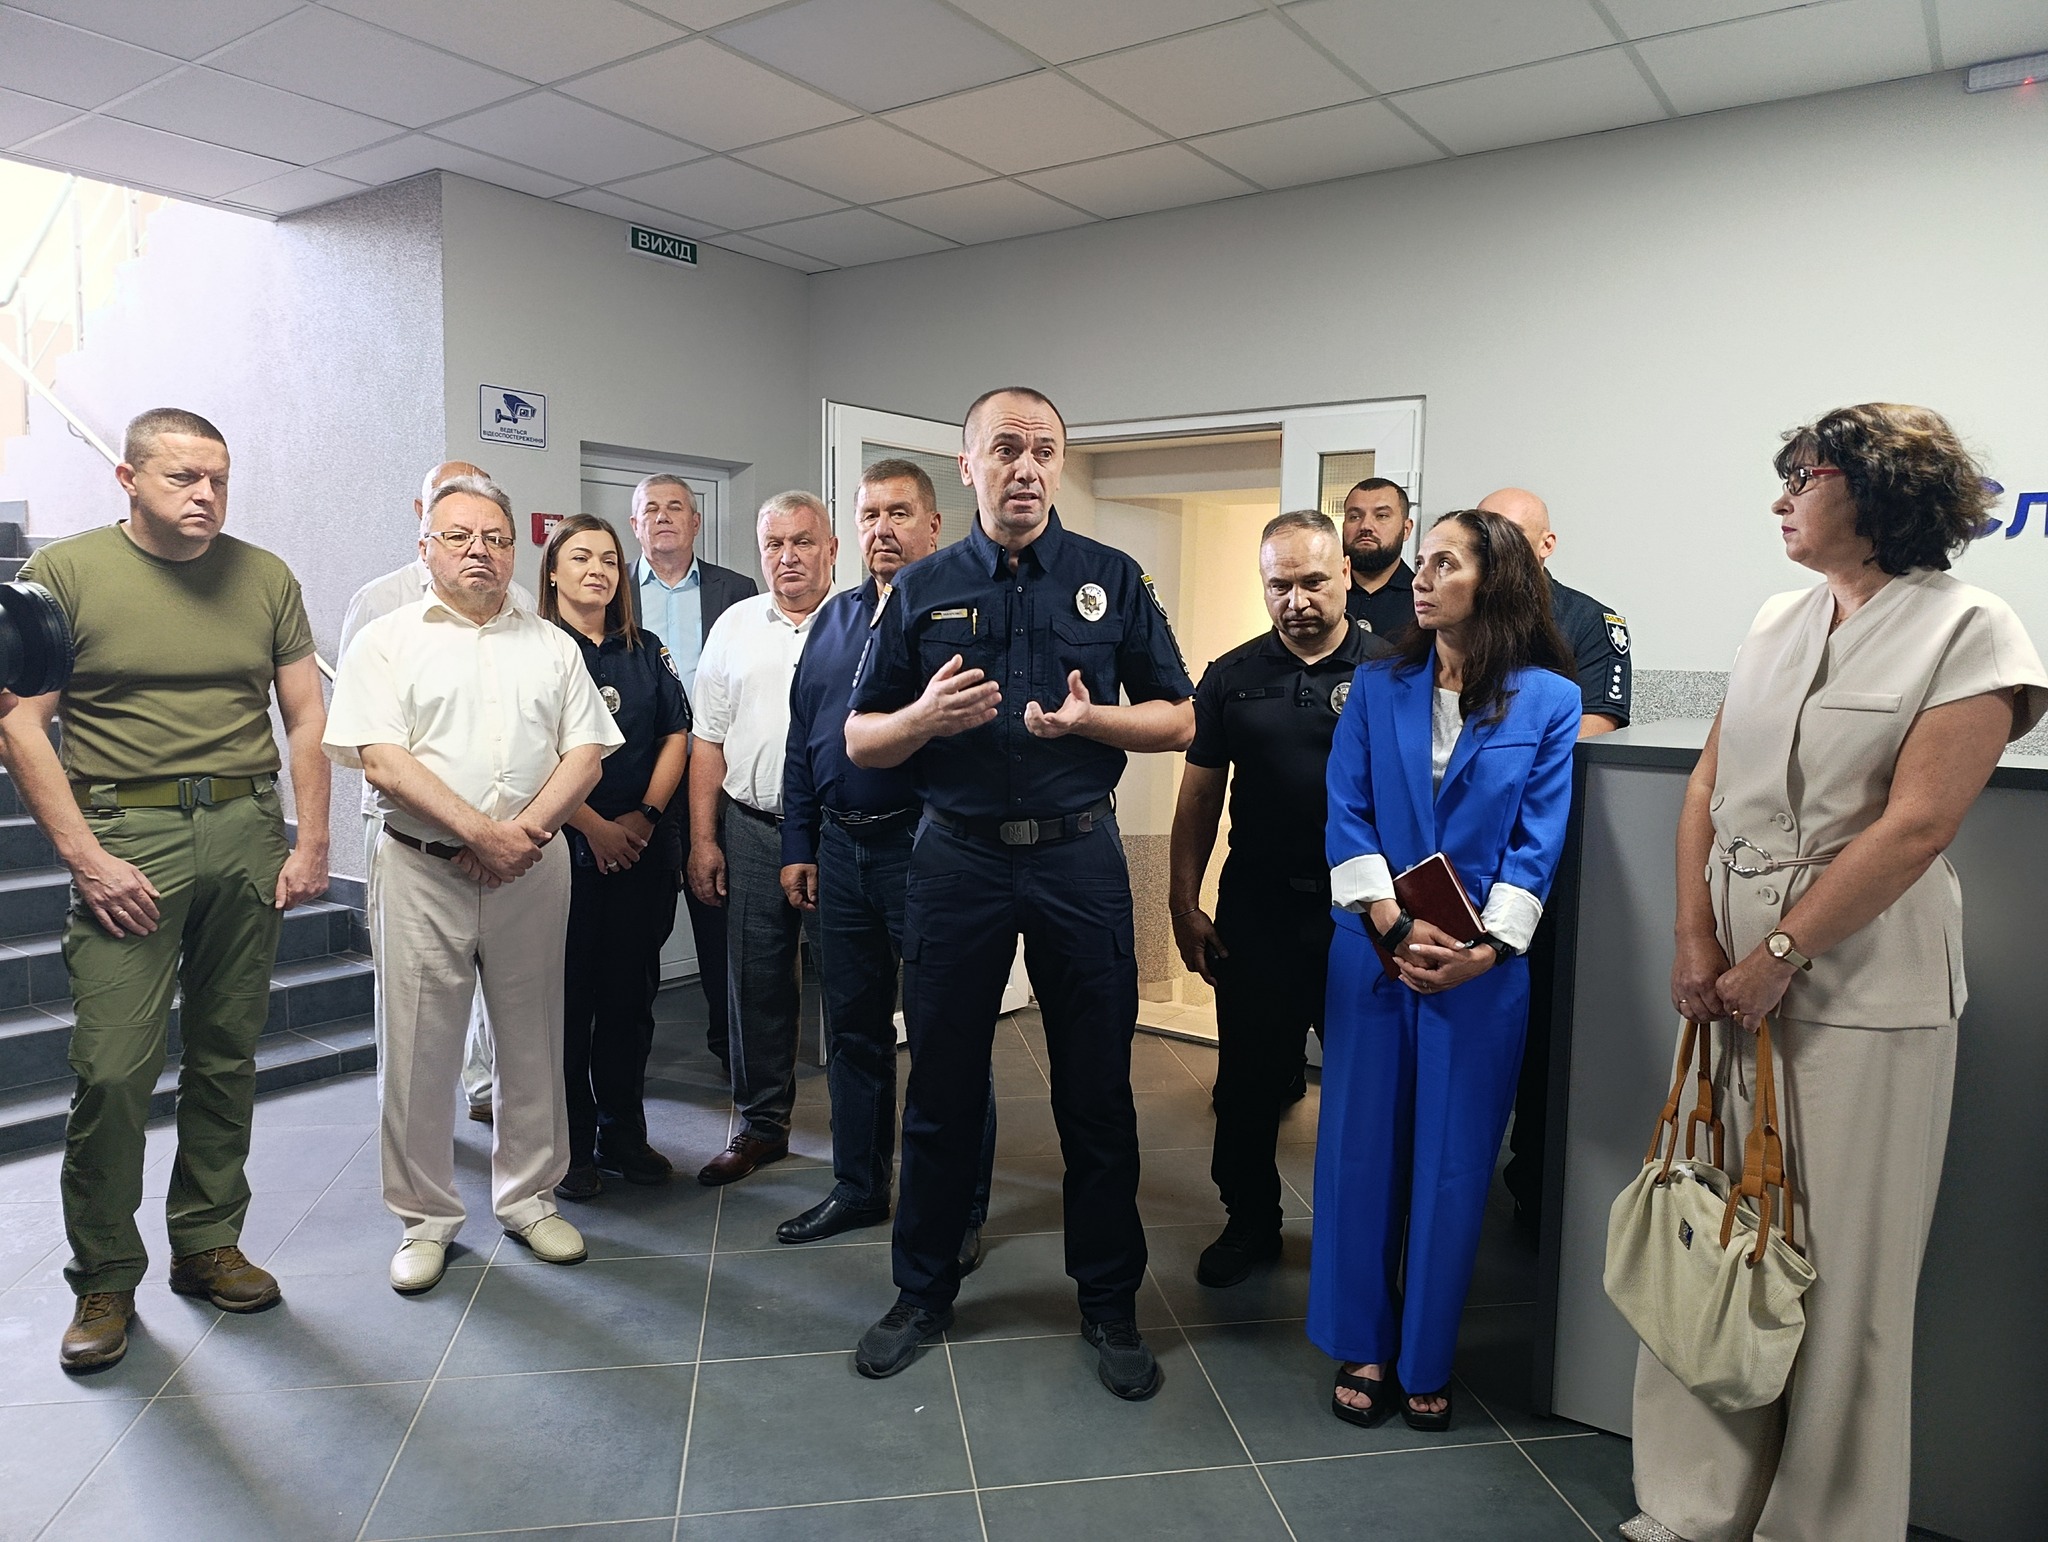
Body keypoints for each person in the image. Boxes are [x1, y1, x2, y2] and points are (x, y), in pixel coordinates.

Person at [1624, 405, 2047, 1542]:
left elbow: (1917, 827)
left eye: (1802, 479)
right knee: (1718, 1235)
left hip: (1863, 987)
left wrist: (1779, 953)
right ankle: (1693, 1504)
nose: (1780, 500)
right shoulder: (1778, 617)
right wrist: (1694, 937)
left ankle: (1821, 1526)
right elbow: (1708, 785)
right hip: (1727, 975)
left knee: (1845, 1273)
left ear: (1879, 492)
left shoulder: (1972, 630)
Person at [845, 387, 1195, 1401]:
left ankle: (1108, 1301)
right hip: (955, 861)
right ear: (968, 467)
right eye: (1005, 449)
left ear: (1059, 465)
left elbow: (1178, 718)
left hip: (1077, 859)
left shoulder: (1109, 578)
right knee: (943, 1089)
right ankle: (921, 1291)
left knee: (1096, 1091)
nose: (1026, 467)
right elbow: (861, 738)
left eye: (1043, 450)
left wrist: (1094, 724)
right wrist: (922, 716)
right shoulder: (919, 587)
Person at [0, 408, 330, 1371]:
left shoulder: (265, 576)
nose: (206, 496)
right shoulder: (66, 574)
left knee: (227, 1052)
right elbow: (19, 724)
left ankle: (208, 1242)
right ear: (128, 479)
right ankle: (104, 1274)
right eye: (184, 477)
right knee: (113, 1068)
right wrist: (86, 859)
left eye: (219, 478)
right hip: (126, 835)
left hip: (245, 828)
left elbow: (305, 716)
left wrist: (311, 839)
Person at [1313, 508, 1579, 1432]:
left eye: (1443, 564)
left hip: (1480, 972)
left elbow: (1538, 843)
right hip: (1373, 956)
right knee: (1359, 1153)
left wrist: (1485, 950)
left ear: (1494, 580)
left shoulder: (1549, 700)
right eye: (1420, 562)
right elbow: (1346, 811)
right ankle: (1364, 1342)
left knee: (1454, 1166)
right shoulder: (1375, 684)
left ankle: (1427, 1354)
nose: (1420, 579)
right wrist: (1390, 924)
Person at [324, 475, 621, 1295]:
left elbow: (586, 755)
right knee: (419, 1049)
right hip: (422, 868)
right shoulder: (385, 639)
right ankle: (424, 1219)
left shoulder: (551, 644)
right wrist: (480, 834)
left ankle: (530, 1199)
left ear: (514, 550)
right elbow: (382, 759)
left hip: (533, 866)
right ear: (426, 547)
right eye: (458, 537)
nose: (478, 551)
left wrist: (519, 837)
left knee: (533, 1040)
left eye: (494, 538)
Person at [776, 460, 998, 1256]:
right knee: (853, 1032)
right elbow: (805, 739)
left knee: (948, 1036)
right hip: (841, 849)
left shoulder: (964, 615)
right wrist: (799, 843)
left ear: (933, 525)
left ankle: (958, 1210)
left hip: (926, 846)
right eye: (869, 515)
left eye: (899, 513)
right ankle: (859, 1187)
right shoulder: (833, 622)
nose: (882, 529)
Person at [1170, 510, 1392, 1289]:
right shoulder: (1230, 676)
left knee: (1368, 1088)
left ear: (1345, 577)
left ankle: (1365, 1237)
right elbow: (1199, 799)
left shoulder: (1395, 670)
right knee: (1247, 1084)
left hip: (1364, 920)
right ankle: (1249, 1223)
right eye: (1279, 585)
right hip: (1259, 912)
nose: (1296, 600)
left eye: (1312, 581)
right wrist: (1183, 905)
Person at [339, 460, 532, 1126]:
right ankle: (413, 1125)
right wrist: (462, 826)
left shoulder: (519, 602)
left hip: (508, 834)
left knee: (497, 976)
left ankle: (483, 1088)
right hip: (406, 830)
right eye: (454, 521)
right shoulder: (379, 604)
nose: (477, 545)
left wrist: (497, 831)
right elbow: (367, 733)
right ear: (425, 522)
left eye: (492, 531)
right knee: (411, 991)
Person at [1474, 485, 1631, 1235]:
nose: (1498, 546)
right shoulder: (1453, 611)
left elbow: (1598, 725)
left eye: (1514, 533)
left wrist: (1501, 757)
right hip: (1455, 855)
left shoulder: (1587, 620)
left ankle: (1534, 1192)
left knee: (1541, 1040)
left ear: (1546, 545)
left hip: (1544, 857)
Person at [540, 514, 692, 1201]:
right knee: (569, 1006)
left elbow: (675, 734)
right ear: (553, 572)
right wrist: (595, 827)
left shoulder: (646, 649)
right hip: (563, 851)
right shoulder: (536, 650)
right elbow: (529, 756)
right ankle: (571, 1147)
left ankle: (622, 1133)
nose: (597, 570)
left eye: (607, 558)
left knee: (631, 1001)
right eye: (580, 558)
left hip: (640, 851)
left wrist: (645, 818)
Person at [687, 492, 835, 1186]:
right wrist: (703, 839)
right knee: (756, 984)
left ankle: (861, 1135)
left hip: (838, 835)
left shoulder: (861, 620)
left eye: (802, 542)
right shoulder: (736, 625)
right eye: (774, 544)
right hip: (750, 827)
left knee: (851, 985)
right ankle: (762, 1126)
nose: (788, 557)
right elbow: (707, 740)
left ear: (831, 549)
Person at [627, 474, 759, 1077]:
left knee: (720, 919)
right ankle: (628, 1054)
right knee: (639, 927)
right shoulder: (615, 591)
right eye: (650, 509)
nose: (663, 517)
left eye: (675, 507)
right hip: (641, 783)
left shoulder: (737, 591)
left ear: (696, 521)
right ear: (635, 525)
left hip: (716, 778)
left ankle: (733, 1049)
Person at [1341, 477, 1416, 640]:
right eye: (1354, 516)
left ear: (1406, 529)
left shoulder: (1423, 599)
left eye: (1381, 516)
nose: (1365, 526)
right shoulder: (1323, 593)